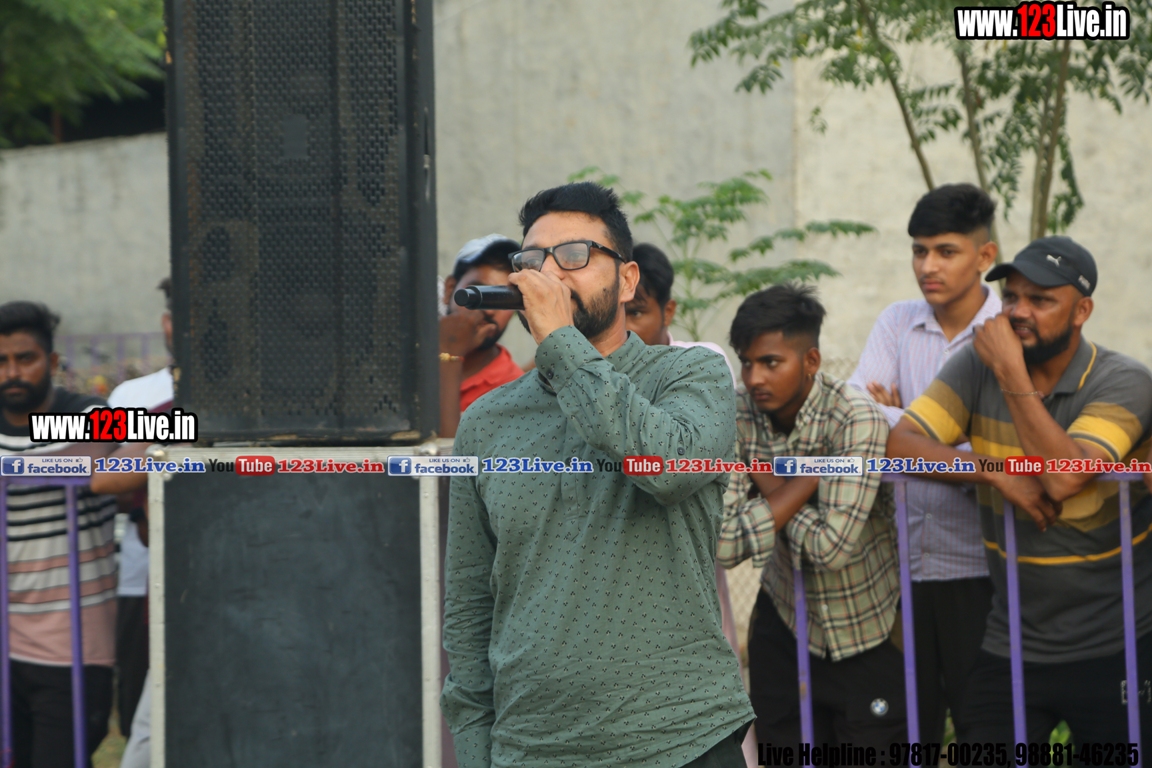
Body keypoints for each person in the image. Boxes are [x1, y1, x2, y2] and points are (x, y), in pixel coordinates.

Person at [441, 182, 754, 767]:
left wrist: (560, 340)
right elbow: (468, 604)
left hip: (681, 739)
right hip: (531, 749)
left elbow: (668, 468)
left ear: (627, 280)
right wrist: (478, 748)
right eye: (534, 260)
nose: (550, 273)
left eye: (575, 255)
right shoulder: (486, 421)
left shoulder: (689, 375)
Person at [888, 236, 1152, 744]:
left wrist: (1010, 370)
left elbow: (1064, 477)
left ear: (1082, 311)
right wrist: (992, 470)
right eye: (1011, 297)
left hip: (1118, 642)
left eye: (1041, 299)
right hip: (1011, 642)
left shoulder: (1123, 380)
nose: (1018, 312)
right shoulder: (975, 367)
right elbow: (901, 443)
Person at [719, 283, 905, 747]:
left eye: (770, 362)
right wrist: (808, 481)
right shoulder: (737, 414)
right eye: (746, 362)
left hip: (865, 629)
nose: (753, 378)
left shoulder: (854, 416)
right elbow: (721, 543)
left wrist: (771, 487)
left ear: (812, 361)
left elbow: (830, 548)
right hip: (784, 625)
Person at [847, 183, 1001, 743]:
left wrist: (903, 425)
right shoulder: (897, 321)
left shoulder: (1008, 332)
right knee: (906, 732)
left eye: (945, 251)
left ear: (985, 256)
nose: (927, 266)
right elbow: (856, 418)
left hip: (982, 570)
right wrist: (959, 447)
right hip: (899, 569)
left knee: (986, 728)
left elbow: (1013, 455)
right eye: (919, 251)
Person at [625, 241, 755, 768]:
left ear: (668, 310)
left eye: (637, 312)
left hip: (687, 568)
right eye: (616, 314)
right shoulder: (586, 373)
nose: (626, 329)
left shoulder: (699, 364)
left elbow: (664, 465)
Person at [0, 301, 141, 768]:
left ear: (53, 361)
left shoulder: (86, 413)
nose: (12, 372)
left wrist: (96, 467)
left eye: (25, 358)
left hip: (73, 647)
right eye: (1, 361)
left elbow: (143, 445)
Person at [106, 278, 174, 759]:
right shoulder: (133, 394)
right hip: (140, 581)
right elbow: (103, 473)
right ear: (167, 322)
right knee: (141, 712)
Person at [439, 234, 525, 438]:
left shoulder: (514, 390)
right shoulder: (406, 356)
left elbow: (451, 456)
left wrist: (448, 355)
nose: (488, 309)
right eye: (477, 291)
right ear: (450, 290)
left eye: (504, 298)